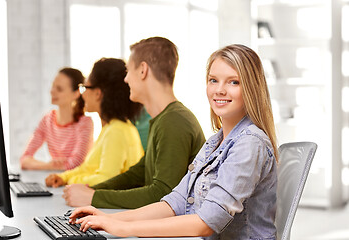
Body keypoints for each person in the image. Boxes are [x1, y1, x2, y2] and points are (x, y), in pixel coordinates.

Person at [68, 44, 279, 240]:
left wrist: (124, 229)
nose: (220, 90)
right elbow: (175, 201)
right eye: (213, 80)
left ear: (251, 88)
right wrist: (110, 219)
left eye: (233, 82)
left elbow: (206, 222)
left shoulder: (250, 143)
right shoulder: (216, 141)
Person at [61, 37, 206, 208]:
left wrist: (93, 197)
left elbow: (163, 194)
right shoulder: (164, 119)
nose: (126, 79)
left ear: (143, 70)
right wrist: (90, 190)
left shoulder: (173, 122)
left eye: (129, 71)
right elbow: (137, 174)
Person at [45, 58, 144, 188]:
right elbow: (87, 168)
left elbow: (106, 179)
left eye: (85, 87)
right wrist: (63, 177)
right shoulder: (111, 128)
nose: (83, 95)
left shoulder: (117, 131)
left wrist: (70, 181)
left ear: (98, 93)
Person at [21, 68, 94, 170]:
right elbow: (24, 159)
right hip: (55, 180)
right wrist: (47, 166)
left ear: (76, 93)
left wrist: (46, 166)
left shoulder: (85, 123)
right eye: (53, 86)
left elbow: (76, 164)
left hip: (77, 181)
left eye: (59, 89)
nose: (52, 91)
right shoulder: (47, 120)